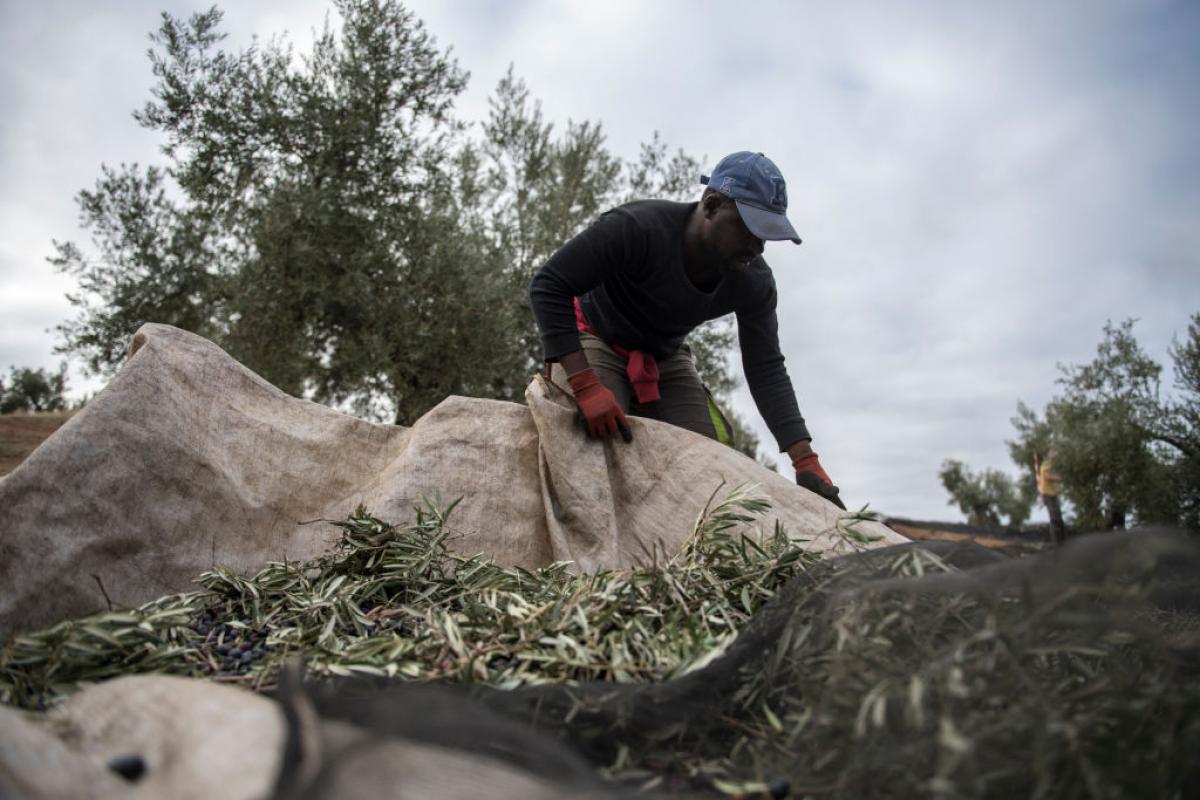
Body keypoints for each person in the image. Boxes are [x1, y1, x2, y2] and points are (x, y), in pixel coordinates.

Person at [529, 151, 844, 509]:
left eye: (767, 236)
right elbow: (549, 285)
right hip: (596, 338)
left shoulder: (752, 280)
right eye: (751, 230)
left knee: (707, 474)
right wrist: (585, 384)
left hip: (665, 355)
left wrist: (804, 458)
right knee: (595, 455)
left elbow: (766, 366)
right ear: (711, 206)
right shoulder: (638, 227)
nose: (757, 248)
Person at [1034, 448, 1065, 545]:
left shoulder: (1051, 464)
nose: (1056, 453)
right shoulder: (1047, 464)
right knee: (1054, 517)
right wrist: (1061, 477)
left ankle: (1061, 540)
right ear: (1049, 454)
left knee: (1058, 516)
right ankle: (1057, 542)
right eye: (1053, 452)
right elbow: (1048, 476)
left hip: (1052, 494)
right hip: (1047, 494)